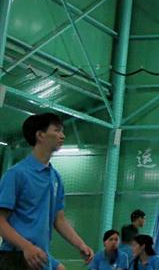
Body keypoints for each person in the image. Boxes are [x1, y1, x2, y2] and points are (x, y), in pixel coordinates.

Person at [0, 113, 94, 269]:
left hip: (40, 256)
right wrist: (26, 247)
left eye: (62, 131)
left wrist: (80, 244)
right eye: (57, 130)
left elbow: (59, 220)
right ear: (40, 135)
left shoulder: (55, 178)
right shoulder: (16, 174)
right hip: (15, 257)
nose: (62, 135)